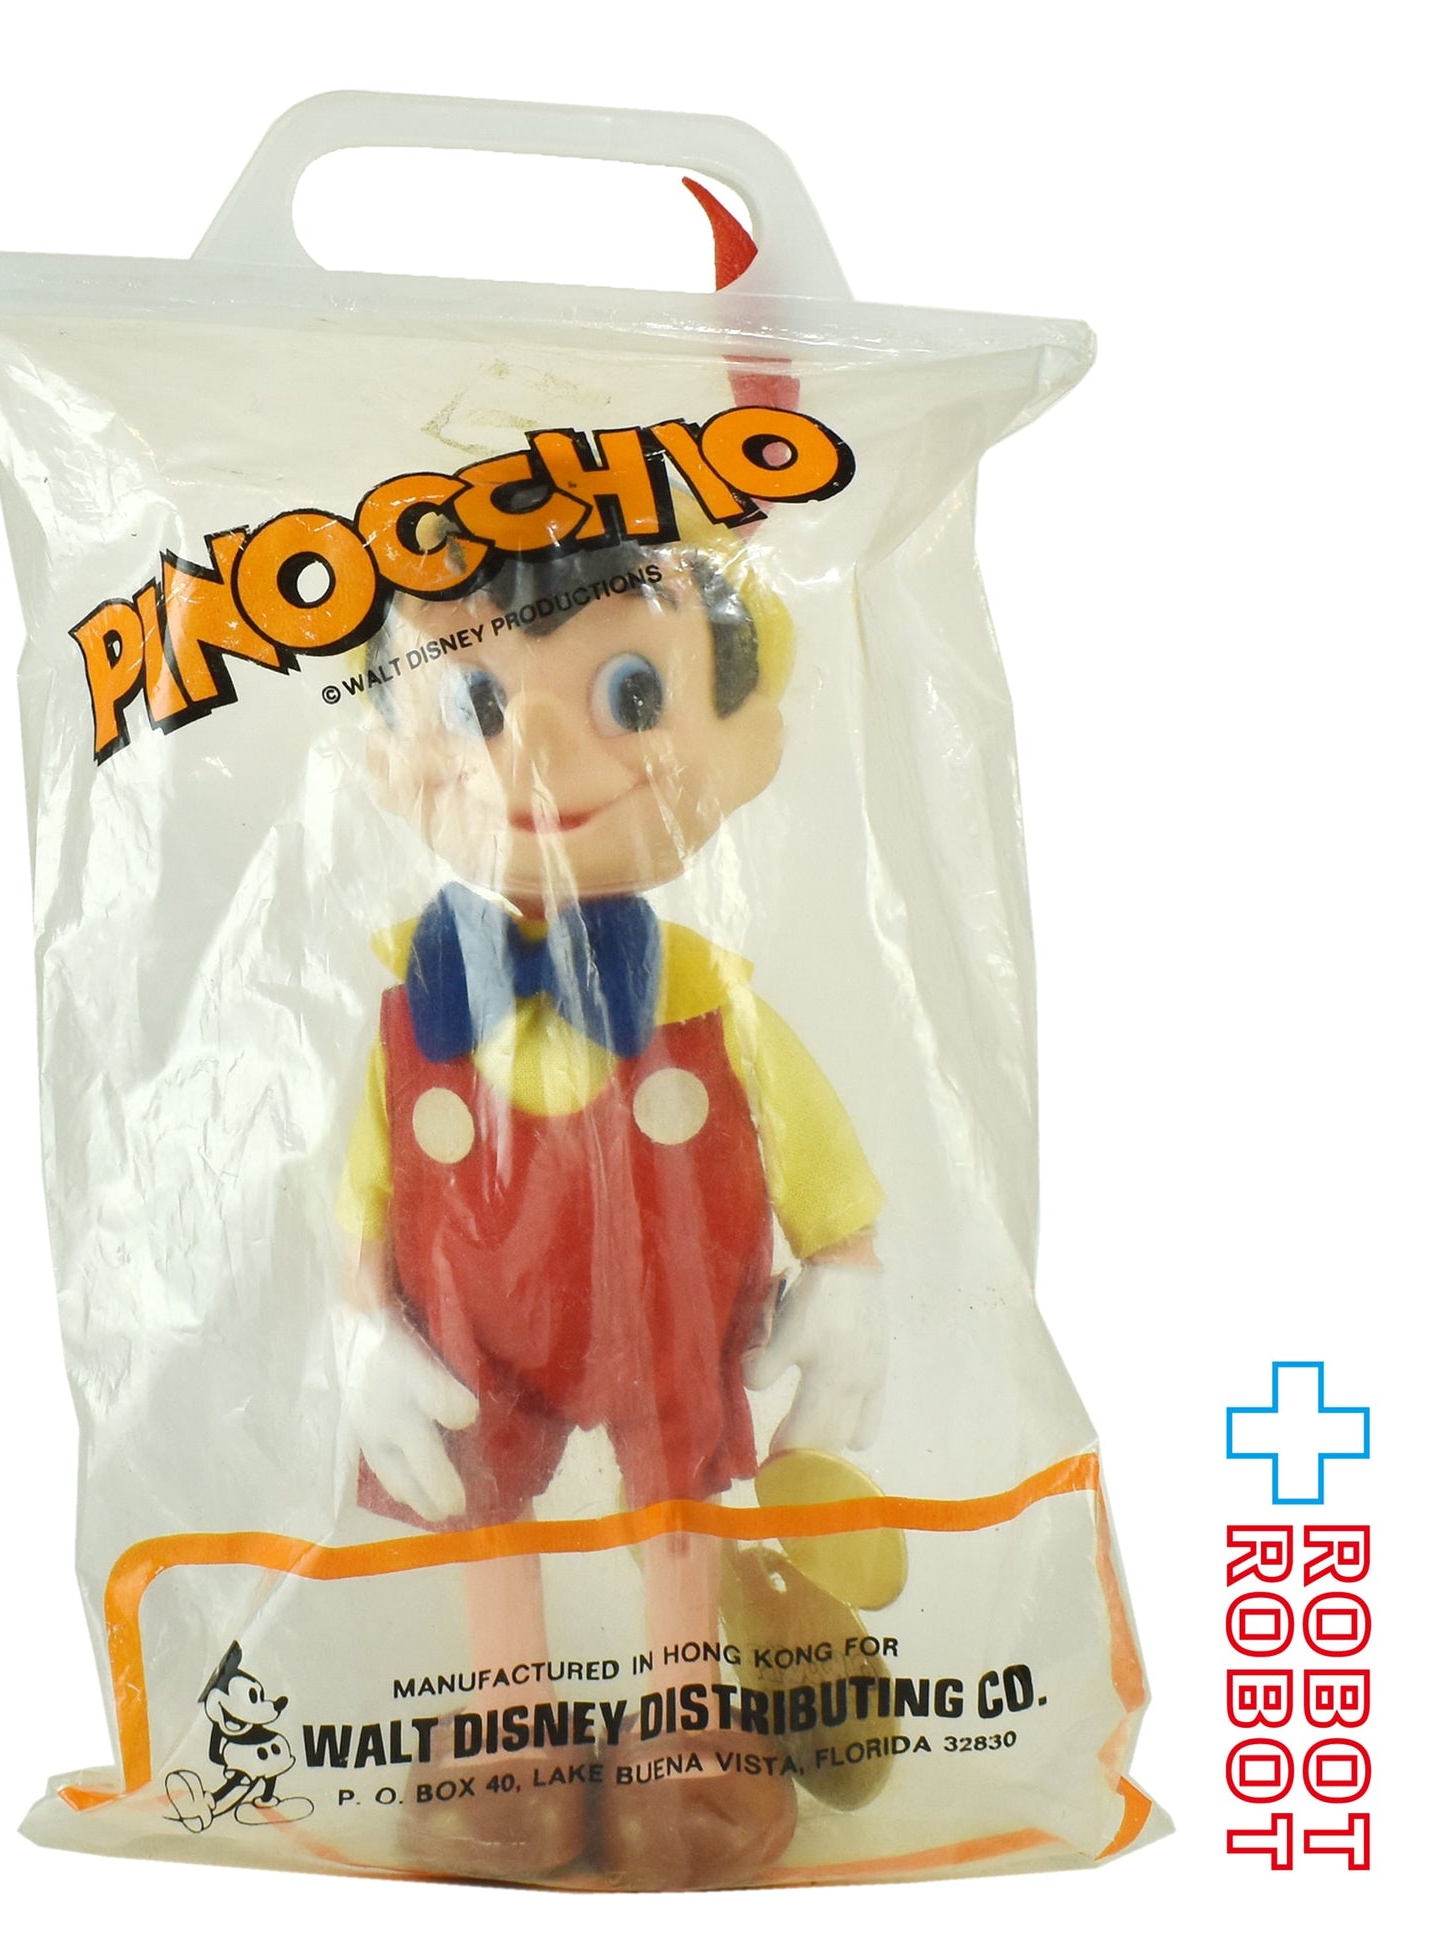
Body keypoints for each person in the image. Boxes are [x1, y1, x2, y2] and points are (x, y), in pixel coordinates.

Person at [334, 514, 891, 1886]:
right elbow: (360, 1195)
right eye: (474, 704)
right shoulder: (412, 1020)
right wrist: (362, 1333)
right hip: (475, 1344)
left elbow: (813, 1150)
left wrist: (847, 1271)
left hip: (677, 1330)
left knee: (679, 1503)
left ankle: (685, 1716)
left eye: (630, 694)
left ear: (738, 737)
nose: (531, 752)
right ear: (389, 746)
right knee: (484, 1499)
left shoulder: (712, 1004)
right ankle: (506, 1721)